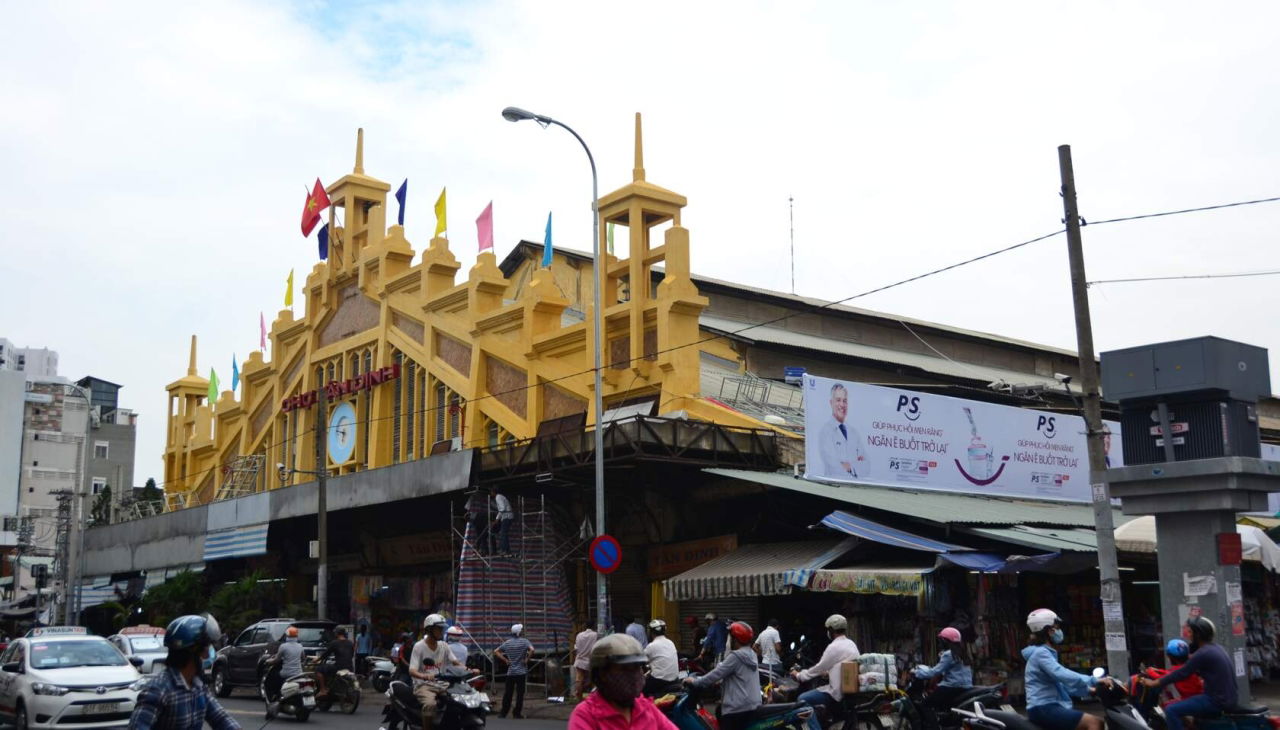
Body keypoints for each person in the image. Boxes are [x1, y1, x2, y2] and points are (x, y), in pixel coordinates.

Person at [128, 613, 240, 730]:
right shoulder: (158, 690)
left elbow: (220, 719)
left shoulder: (198, 686)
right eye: (207, 646)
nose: (209, 653)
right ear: (193, 650)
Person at [1140, 617, 1237, 730]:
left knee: (1171, 710)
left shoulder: (1203, 653)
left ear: (1198, 635)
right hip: (1228, 698)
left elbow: (1181, 673)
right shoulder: (1216, 648)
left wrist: (1154, 683)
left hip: (1215, 701)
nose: (1188, 635)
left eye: (1191, 632)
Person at [568, 634, 677, 730]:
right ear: (602, 673)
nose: (634, 675)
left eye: (637, 667)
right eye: (625, 668)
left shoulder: (647, 709)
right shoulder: (586, 715)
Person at [1023, 608, 1107, 730]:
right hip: (1044, 707)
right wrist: (1094, 680)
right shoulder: (1041, 653)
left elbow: (1061, 685)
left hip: (1047, 706)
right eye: (1056, 627)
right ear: (1049, 631)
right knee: (1094, 723)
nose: (1059, 631)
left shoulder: (1045, 652)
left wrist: (1089, 690)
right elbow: (1061, 674)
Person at [686, 622, 761, 730]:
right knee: (719, 710)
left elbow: (715, 675)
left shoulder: (736, 656)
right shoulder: (751, 654)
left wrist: (694, 681)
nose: (728, 640)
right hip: (752, 706)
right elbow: (736, 673)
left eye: (729, 637)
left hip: (737, 709)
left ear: (735, 639)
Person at [794, 614, 861, 715]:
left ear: (831, 630)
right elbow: (841, 664)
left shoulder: (833, 647)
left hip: (836, 692)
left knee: (803, 699)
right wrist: (828, 673)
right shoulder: (851, 643)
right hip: (848, 690)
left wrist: (800, 675)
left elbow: (819, 667)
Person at [411, 614, 466, 730]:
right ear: (429, 629)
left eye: (442, 629)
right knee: (430, 705)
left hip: (441, 684)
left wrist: (469, 670)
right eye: (439, 629)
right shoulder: (419, 646)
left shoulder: (444, 645)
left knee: (458, 701)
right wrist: (425, 676)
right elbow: (412, 670)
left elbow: (456, 662)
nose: (441, 631)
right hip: (423, 685)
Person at [912, 627, 974, 728]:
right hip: (966, 687)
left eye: (941, 641)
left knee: (925, 705)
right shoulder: (962, 653)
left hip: (951, 687)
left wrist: (917, 672)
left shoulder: (949, 654)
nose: (939, 643)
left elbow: (934, 672)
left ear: (945, 641)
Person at [1131, 639, 1203, 720]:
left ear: (1169, 656)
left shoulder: (1178, 671)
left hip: (1189, 700)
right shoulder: (1187, 667)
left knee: (1167, 706)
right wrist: (1155, 670)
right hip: (1195, 698)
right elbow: (1168, 673)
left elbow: (1164, 678)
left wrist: (1150, 671)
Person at [817, 383, 868, 479]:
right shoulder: (825, 432)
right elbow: (833, 467)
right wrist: (855, 464)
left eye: (845, 401)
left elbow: (866, 467)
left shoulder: (854, 433)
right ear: (831, 403)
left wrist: (848, 465)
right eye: (838, 400)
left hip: (856, 488)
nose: (842, 404)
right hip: (834, 488)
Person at [264, 626, 306, 717]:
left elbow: (276, 660)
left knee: (272, 681)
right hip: (299, 674)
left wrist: (267, 662)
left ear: (287, 636)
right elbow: (303, 658)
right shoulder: (300, 646)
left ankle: (275, 697)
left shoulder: (283, 646)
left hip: (286, 673)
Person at [495, 623, 535, 719]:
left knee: (508, 693)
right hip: (521, 672)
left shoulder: (507, 643)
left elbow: (496, 651)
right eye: (521, 630)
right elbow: (532, 650)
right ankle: (517, 713)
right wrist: (526, 660)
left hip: (511, 672)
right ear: (519, 632)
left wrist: (505, 660)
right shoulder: (525, 642)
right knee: (520, 694)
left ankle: (503, 713)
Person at [643, 619, 680, 697]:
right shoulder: (671, 642)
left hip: (659, 682)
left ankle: (645, 707)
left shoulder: (651, 646)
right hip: (675, 680)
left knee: (640, 689)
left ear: (651, 632)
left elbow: (641, 659)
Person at [315, 626, 355, 698]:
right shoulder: (350, 643)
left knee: (319, 669)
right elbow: (351, 655)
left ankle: (322, 690)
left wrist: (317, 660)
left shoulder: (334, 643)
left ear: (337, 633)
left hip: (339, 667)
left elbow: (326, 654)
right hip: (350, 667)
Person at [573, 625, 599, 700]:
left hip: (580, 660)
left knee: (579, 680)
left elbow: (576, 648)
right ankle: (594, 699)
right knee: (594, 680)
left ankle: (579, 698)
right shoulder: (595, 635)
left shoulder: (579, 635)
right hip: (590, 661)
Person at [494, 490, 515, 555]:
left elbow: (502, 508)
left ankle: (505, 550)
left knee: (503, 533)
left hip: (507, 517)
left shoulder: (498, 497)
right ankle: (506, 550)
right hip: (507, 516)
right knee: (503, 533)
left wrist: (497, 519)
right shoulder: (500, 496)